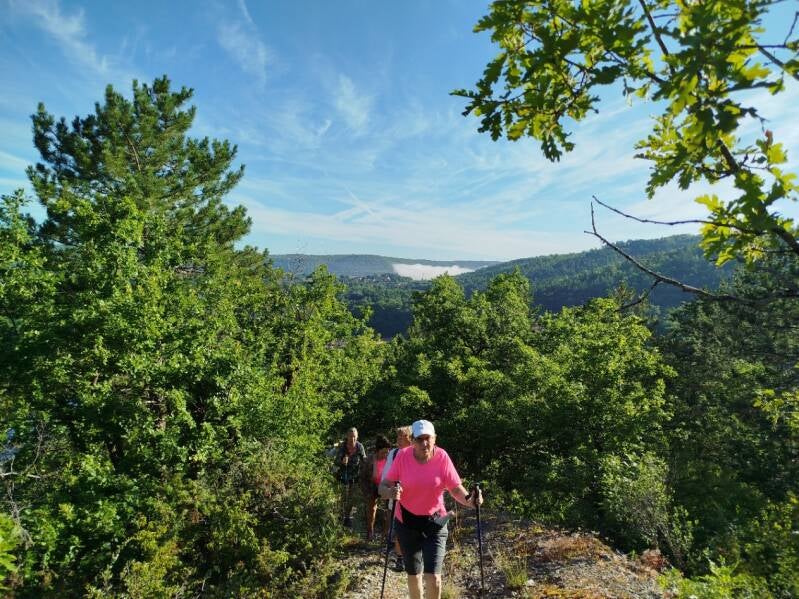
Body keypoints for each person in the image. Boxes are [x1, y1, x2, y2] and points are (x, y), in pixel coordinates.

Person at [379, 420, 483, 599]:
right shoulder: (402, 456)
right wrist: (390, 492)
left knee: (434, 577)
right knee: (414, 576)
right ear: (412, 441)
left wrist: (471, 500)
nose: (424, 443)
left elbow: (455, 488)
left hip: (435, 523)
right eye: (419, 439)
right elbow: (383, 487)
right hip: (407, 523)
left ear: (435, 438)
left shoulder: (442, 457)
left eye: (428, 438)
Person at [380, 425, 412, 571]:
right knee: (399, 529)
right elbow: (386, 476)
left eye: (402, 437)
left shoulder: (417, 453)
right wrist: (387, 490)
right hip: (397, 496)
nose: (399, 440)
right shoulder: (393, 454)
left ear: (410, 439)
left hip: (416, 497)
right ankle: (400, 559)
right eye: (398, 437)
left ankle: (412, 556)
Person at [361, 434, 392, 541]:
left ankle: (386, 534)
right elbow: (363, 477)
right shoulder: (369, 460)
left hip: (386, 485)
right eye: (383, 452)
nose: (385, 454)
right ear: (377, 451)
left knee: (389, 508)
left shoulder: (390, 459)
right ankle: (370, 531)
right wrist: (366, 492)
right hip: (372, 486)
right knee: (371, 508)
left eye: (387, 452)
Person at [336, 426, 366, 527]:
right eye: (350, 436)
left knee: (352, 498)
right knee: (343, 497)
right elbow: (336, 461)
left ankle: (347, 517)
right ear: (347, 436)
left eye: (354, 436)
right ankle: (340, 516)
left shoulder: (359, 446)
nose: (352, 439)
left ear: (357, 437)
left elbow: (364, 460)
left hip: (355, 477)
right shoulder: (342, 446)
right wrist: (342, 460)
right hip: (343, 476)